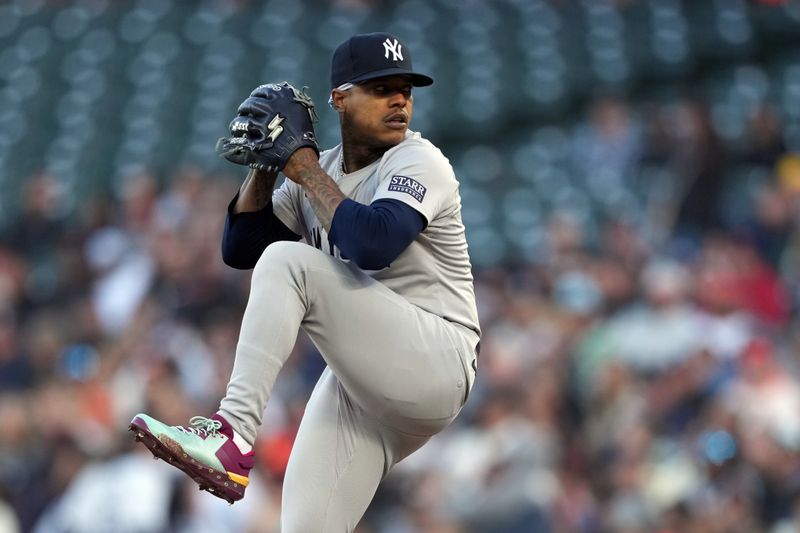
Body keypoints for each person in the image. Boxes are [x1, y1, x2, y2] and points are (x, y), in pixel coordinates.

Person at [129, 32, 480, 531]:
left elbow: (373, 244)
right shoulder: (324, 169)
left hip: (437, 358)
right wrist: (267, 167)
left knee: (288, 261)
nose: (399, 99)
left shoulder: (417, 160)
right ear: (340, 98)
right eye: (381, 87)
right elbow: (241, 248)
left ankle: (232, 434)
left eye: (406, 88)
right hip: (365, 384)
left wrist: (302, 165)